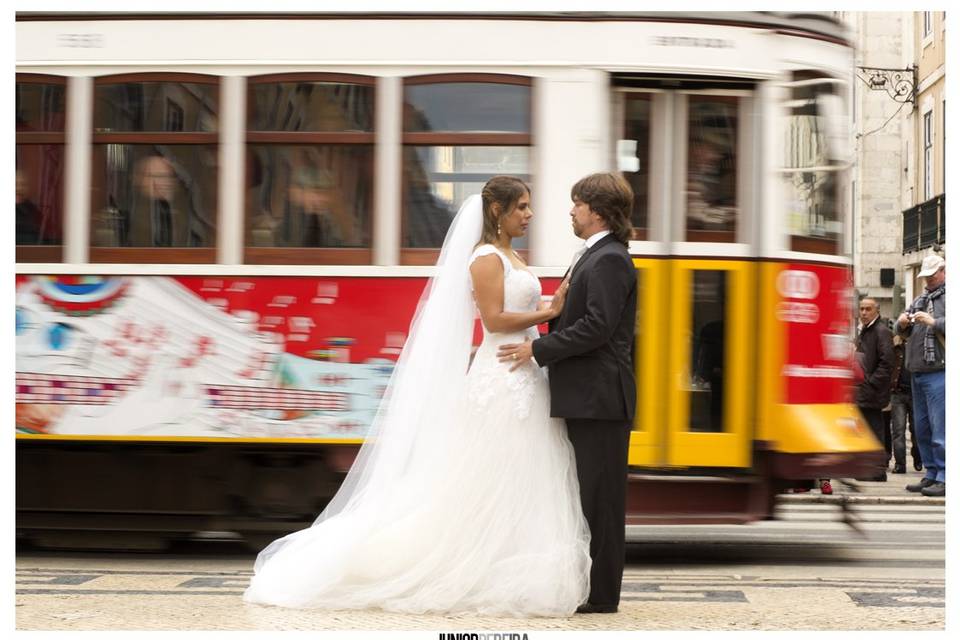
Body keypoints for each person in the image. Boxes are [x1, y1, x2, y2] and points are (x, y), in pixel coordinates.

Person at [244, 176, 592, 616]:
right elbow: (495, 321)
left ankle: (509, 562)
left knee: (524, 472)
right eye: (521, 206)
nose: (529, 214)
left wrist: (549, 308)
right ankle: (471, 563)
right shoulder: (484, 258)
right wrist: (551, 310)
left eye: (528, 206)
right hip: (501, 375)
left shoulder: (512, 254)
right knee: (494, 472)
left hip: (523, 373)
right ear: (497, 212)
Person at [498, 172, 638, 614]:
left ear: (596, 210)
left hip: (600, 399)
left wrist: (537, 348)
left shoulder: (610, 259)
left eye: (576, 203)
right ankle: (589, 588)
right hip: (587, 396)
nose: (570, 211)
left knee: (602, 502)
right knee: (588, 497)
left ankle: (601, 598)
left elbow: (598, 327)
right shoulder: (595, 255)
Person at [897, 254, 946, 497]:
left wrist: (934, 322)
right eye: (925, 275)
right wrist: (902, 322)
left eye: (931, 274)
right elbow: (899, 330)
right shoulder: (920, 298)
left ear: (943, 271)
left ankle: (945, 476)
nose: (927, 279)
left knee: (941, 428)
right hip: (917, 370)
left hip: (940, 370)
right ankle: (931, 473)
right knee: (922, 428)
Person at [854, 297, 894, 482]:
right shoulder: (866, 330)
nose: (863, 313)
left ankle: (877, 471)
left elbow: (887, 363)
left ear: (876, 311)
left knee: (875, 430)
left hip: (872, 391)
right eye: (861, 309)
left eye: (868, 309)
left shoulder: (881, 331)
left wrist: (870, 383)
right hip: (864, 390)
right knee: (865, 430)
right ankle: (868, 469)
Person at [888, 334, 919, 474]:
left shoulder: (918, 344)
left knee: (917, 429)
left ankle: (919, 458)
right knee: (898, 431)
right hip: (897, 393)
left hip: (916, 392)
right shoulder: (895, 344)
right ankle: (900, 464)